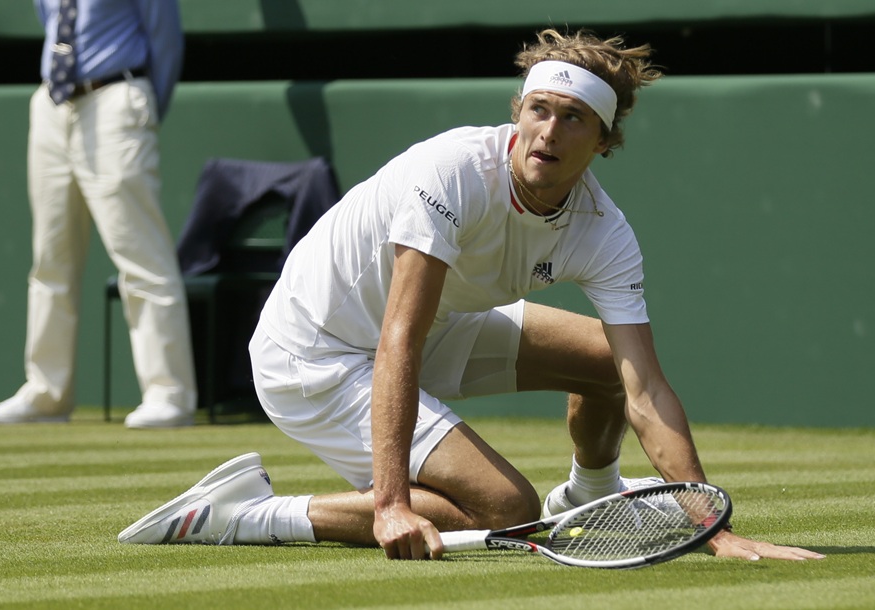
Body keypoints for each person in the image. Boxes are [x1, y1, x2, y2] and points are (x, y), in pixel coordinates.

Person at [119, 29, 825, 560]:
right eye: (539, 109)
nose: (548, 131)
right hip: (315, 352)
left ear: (604, 141)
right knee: (506, 509)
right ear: (518, 112)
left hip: (435, 329)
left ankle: (589, 498)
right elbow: (398, 332)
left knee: (608, 363)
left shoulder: (605, 232)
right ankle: (244, 514)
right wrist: (391, 505)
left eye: (574, 118)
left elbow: (645, 390)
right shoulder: (452, 171)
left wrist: (712, 527)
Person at [0, 0, 197, 429]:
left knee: (141, 256)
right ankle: (47, 393)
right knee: (50, 260)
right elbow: (52, 21)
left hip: (116, 99)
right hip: (51, 104)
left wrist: (143, 106)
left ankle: (168, 393)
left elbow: (165, 38)